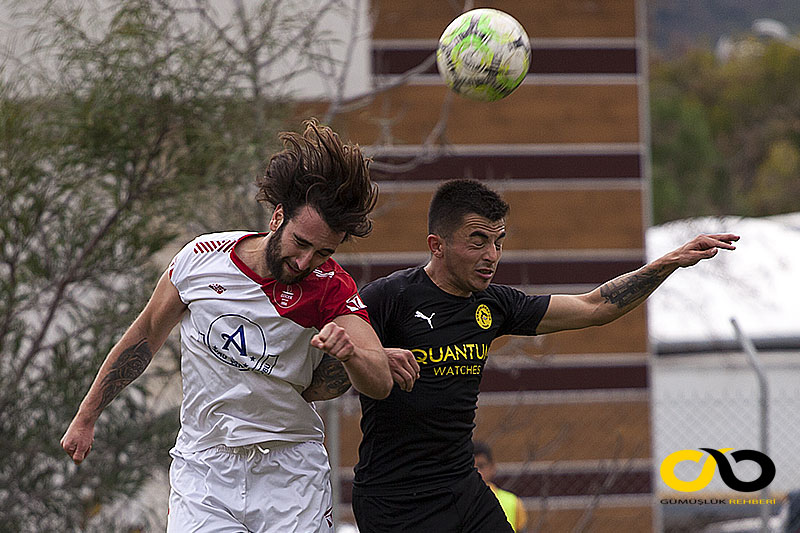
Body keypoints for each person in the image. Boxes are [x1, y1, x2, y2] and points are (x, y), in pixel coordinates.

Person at [349, 178, 739, 533]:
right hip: (395, 500)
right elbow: (327, 374)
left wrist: (669, 262)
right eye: (477, 241)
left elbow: (595, 307)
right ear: (438, 245)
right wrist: (374, 355)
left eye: (498, 241)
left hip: (461, 487)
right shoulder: (389, 298)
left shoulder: (494, 304)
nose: (491, 255)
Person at [60, 119, 394, 533]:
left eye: (323, 252)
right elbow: (145, 334)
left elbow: (379, 381)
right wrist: (87, 414)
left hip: (289, 471)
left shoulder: (331, 287)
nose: (306, 262)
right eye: (301, 243)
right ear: (277, 217)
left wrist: (352, 354)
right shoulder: (202, 259)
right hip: (205, 467)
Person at [473, 441, 528, 533]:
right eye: (471, 467)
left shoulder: (512, 503)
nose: (477, 472)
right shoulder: (455, 502)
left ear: (492, 467)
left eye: (481, 466)